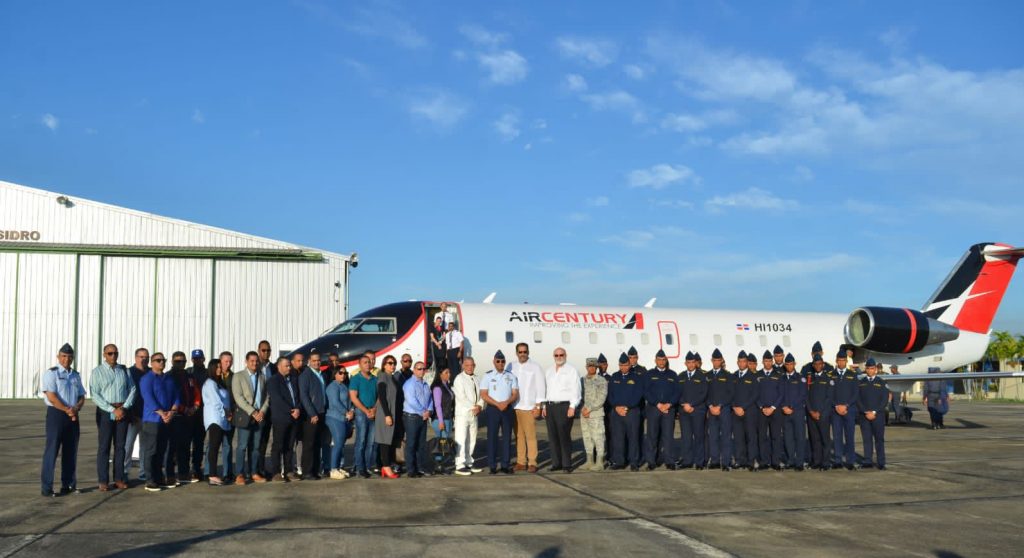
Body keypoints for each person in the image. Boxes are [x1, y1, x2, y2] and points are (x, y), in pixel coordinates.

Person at [40, 343, 86, 497]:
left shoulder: (75, 375)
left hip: (73, 415)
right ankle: (47, 488)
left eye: (70, 357)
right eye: (64, 356)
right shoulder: (51, 373)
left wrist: (76, 408)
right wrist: (67, 409)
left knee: (71, 451)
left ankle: (68, 485)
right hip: (57, 415)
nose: (67, 359)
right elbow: (51, 397)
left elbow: (81, 395)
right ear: (58, 357)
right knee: (52, 451)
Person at [90, 343, 137, 491]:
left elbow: (132, 389)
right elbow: (95, 394)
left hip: (122, 410)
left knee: (120, 446)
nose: (113, 356)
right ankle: (103, 480)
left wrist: (123, 408)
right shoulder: (97, 372)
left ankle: (119, 478)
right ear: (104, 355)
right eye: (110, 353)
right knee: (104, 446)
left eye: (115, 353)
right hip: (106, 411)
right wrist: (112, 410)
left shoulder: (124, 370)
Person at [139, 352, 180, 491]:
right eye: (158, 360)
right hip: (152, 420)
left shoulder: (169, 378)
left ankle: (159, 477)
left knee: (162, 450)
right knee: (151, 450)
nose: (161, 362)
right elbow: (148, 398)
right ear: (152, 363)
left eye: (163, 360)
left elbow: (176, 396)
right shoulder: (147, 379)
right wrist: (162, 413)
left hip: (167, 419)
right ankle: (149, 480)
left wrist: (172, 411)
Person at [232, 351, 269, 484]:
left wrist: (262, 411)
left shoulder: (262, 376)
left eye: (256, 361)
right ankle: (239, 474)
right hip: (246, 415)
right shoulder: (238, 376)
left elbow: (267, 396)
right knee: (242, 446)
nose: (254, 363)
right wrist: (253, 412)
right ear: (246, 362)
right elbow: (238, 397)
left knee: (256, 447)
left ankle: (253, 472)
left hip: (260, 415)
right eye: (252, 361)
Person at [480, 350, 519, 474]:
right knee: (492, 437)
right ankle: (492, 465)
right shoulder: (487, 376)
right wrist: (498, 404)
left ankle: (505, 465)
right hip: (493, 410)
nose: (500, 363)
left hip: (507, 409)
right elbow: (483, 394)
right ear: (494, 362)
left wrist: (506, 403)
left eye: (502, 361)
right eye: (498, 361)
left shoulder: (511, 376)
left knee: (507, 438)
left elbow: (515, 394)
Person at [544, 347, 581, 473]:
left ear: (566, 355)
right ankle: (556, 463)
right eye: (556, 355)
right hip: (550, 406)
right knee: (553, 436)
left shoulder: (571, 370)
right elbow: (546, 389)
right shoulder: (549, 371)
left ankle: (567, 464)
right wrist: (544, 406)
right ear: (553, 356)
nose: (559, 357)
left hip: (564, 406)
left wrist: (572, 406)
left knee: (564, 436)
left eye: (561, 355)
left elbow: (576, 390)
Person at [173, 349, 207, 484]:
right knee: (182, 445)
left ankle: (196, 469)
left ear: (203, 359)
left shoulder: (193, 375)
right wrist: (184, 409)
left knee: (198, 443)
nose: (181, 363)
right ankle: (182, 471)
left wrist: (196, 406)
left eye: (183, 361)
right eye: (178, 361)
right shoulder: (171, 376)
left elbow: (197, 392)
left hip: (198, 414)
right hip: (180, 415)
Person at [510, 342, 545, 473]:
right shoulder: (511, 366)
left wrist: (538, 406)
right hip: (515, 407)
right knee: (519, 436)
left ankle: (532, 462)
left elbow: (541, 387)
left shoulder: (535, 367)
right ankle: (521, 462)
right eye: (520, 352)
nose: (522, 354)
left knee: (530, 436)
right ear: (516, 353)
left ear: (528, 352)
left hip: (529, 407)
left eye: (525, 352)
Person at [643, 349, 678, 471]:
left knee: (668, 436)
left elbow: (677, 392)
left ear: (666, 361)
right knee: (652, 436)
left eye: (663, 360)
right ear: (655, 360)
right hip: (654, 409)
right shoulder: (649, 374)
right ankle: (651, 461)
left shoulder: (672, 375)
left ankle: (669, 461)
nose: (661, 362)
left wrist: (669, 404)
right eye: (659, 360)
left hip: (668, 410)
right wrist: (657, 404)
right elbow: (646, 391)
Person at [607, 353, 643, 471]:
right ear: (619, 365)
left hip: (631, 412)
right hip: (617, 412)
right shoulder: (614, 377)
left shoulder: (636, 377)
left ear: (629, 365)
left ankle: (634, 462)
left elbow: (638, 395)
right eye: (621, 365)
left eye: (626, 365)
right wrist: (616, 407)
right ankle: (619, 461)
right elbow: (610, 395)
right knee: (618, 438)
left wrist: (627, 407)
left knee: (633, 437)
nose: (623, 367)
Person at [267, 357, 300, 481]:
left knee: (290, 446)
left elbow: (298, 396)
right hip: (281, 417)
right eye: (286, 366)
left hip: (294, 417)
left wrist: (298, 408)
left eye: (289, 365)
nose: (289, 368)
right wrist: (291, 410)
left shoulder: (293, 379)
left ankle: (289, 471)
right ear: (279, 366)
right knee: (278, 445)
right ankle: (276, 472)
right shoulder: (273, 381)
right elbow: (277, 399)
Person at [202, 358, 233, 486]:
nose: (220, 369)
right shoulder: (210, 383)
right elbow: (216, 402)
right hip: (215, 419)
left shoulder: (218, 382)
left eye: (220, 367)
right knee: (214, 447)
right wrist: (227, 414)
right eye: (218, 367)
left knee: (217, 446)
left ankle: (213, 474)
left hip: (221, 419)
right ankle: (212, 475)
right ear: (212, 369)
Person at [297, 352, 327, 480]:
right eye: (314, 360)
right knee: (309, 444)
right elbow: (304, 396)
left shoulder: (321, 374)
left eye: (318, 360)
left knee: (317, 443)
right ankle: (307, 471)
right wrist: (312, 413)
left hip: (321, 412)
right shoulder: (305, 375)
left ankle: (314, 470)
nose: (317, 362)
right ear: (309, 361)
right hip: (311, 414)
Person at [452, 357, 484, 476]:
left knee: (471, 439)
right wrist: (474, 407)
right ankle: (460, 464)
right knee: (461, 439)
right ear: (463, 366)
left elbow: (481, 395)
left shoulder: (477, 378)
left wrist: (480, 406)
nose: (470, 367)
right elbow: (461, 397)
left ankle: (469, 462)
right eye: (467, 365)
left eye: (472, 365)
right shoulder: (459, 379)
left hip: (474, 414)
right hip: (463, 414)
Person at [402, 361, 434, 478]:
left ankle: (421, 468)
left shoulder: (425, 384)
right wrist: (423, 412)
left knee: (421, 444)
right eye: (419, 369)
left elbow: (430, 399)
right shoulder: (409, 384)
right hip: (412, 417)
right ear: (414, 370)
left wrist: (429, 410)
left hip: (423, 417)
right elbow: (411, 400)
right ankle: (411, 469)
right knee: (411, 444)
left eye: (423, 369)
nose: (422, 371)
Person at [705, 348, 735, 471]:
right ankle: (715, 461)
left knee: (726, 437)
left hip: (724, 410)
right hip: (712, 410)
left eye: (718, 360)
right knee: (713, 436)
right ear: (711, 360)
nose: (716, 362)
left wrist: (720, 405)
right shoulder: (707, 376)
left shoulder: (728, 375)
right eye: (714, 360)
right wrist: (710, 406)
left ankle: (726, 462)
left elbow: (731, 393)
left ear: (721, 361)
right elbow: (705, 393)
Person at [677, 351, 708, 469]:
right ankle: (687, 460)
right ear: (685, 363)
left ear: (695, 363)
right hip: (684, 411)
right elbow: (677, 393)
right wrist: (684, 404)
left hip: (697, 410)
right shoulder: (681, 376)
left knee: (699, 437)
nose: (690, 364)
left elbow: (703, 393)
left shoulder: (702, 376)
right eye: (688, 362)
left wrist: (692, 404)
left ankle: (699, 462)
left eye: (692, 362)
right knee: (686, 437)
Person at [348, 355, 378, 478]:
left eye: (369, 362)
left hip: (373, 412)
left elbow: (379, 397)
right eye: (365, 362)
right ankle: (360, 467)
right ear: (359, 364)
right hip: (361, 412)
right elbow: (353, 397)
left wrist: (374, 409)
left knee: (371, 442)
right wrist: (366, 411)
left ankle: (367, 466)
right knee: (361, 441)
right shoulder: (355, 379)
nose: (368, 364)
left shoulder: (375, 379)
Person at [858, 358, 890, 470]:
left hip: (878, 416)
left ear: (875, 369)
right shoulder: (861, 382)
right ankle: (867, 461)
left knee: (879, 440)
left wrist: (874, 412)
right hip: (864, 416)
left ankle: (881, 462)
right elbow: (858, 399)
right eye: (868, 368)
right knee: (867, 439)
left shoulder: (881, 382)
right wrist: (865, 411)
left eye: (872, 368)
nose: (870, 370)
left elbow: (884, 400)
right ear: (866, 369)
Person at [375, 355, 403, 479]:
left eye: (394, 363)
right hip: (386, 413)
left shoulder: (393, 378)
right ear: (384, 365)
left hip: (393, 413)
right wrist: (387, 414)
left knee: (389, 441)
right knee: (385, 441)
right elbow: (381, 397)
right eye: (390, 363)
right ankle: (386, 467)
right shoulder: (382, 376)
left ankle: (387, 466)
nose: (393, 365)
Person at [831, 350, 860, 470]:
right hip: (835, 411)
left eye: (843, 360)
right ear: (836, 361)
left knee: (849, 437)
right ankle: (838, 460)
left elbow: (855, 393)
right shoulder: (831, 375)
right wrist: (836, 406)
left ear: (846, 361)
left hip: (849, 411)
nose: (841, 362)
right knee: (837, 437)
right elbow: (829, 393)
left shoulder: (852, 375)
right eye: (839, 360)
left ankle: (850, 461)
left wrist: (846, 405)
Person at [124, 348, 149, 482]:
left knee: (145, 446)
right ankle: (124, 472)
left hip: (147, 416)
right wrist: (129, 413)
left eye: (146, 357)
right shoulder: (129, 372)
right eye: (141, 357)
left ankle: (143, 472)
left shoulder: (151, 372)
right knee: (128, 446)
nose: (144, 359)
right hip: (132, 416)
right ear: (135, 358)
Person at [756, 350, 784, 470]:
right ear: (762, 362)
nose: (767, 363)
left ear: (772, 362)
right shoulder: (757, 375)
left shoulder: (778, 375)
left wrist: (772, 407)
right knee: (762, 437)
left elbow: (781, 394)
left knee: (775, 437)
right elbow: (755, 394)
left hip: (775, 411)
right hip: (761, 411)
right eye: (765, 361)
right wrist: (762, 407)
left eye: (769, 361)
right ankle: (763, 461)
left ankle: (775, 462)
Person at [731, 351, 759, 471]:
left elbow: (755, 395)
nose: (741, 363)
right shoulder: (733, 376)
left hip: (749, 411)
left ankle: (751, 460)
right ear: (737, 362)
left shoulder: (753, 377)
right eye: (740, 361)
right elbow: (729, 393)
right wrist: (734, 407)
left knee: (750, 437)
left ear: (747, 362)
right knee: (738, 437)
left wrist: (743, 407)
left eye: (744, 361)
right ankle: (739, 460)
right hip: (736, 412)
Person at [325, 367, 354, 479]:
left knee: (341, 444)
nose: (343, 375)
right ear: (335, 374)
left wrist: (351, 411)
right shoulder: (332, 386)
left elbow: (349, 401)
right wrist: (346, 412)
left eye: (345, 373)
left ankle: (337, 467)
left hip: (344, 418)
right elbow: (335, 402)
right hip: (334, 417)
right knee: (338, 443)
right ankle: (333, 469)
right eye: (340, 373)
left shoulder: (344, 386)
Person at [806, 355, 834, 470]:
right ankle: (816, 461)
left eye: (820, 364)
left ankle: (825, 462)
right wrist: (811, 411)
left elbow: (829, 398)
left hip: (823, 415)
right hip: (811, 414)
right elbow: (806, 396)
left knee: (824, 439)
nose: (818, 366)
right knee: (814, 439)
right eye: (816, 364)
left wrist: (819, 412)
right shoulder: (810, 379)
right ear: (813, 365)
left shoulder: (828, 379)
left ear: (823, 364)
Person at [580, 358, 608, 471]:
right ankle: (589, 461)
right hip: (584, 413)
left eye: (593, 366)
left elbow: (601, 398)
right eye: (589, 366)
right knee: (587, 437)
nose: (591, 368)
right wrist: (582, 409)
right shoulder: (581, 380)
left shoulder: (601, 380)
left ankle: (599, 462)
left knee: (598, 437)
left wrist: (589, 409)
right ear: (586, 367)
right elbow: (578, 395)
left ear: (596, 368)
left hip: (596, 413)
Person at [780, 354, 807, 471]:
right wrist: (783, 406)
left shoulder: (800, 378)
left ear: (794, 364)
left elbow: (803, 395)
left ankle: (799, 462)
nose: (789, 366)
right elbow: (779, 394)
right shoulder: (782, 379)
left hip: (797, 412)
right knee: (788, 438)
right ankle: (790, 460)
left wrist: (791, 406)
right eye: (787, 364)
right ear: (785, 365)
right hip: (785, 412)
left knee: (800, 437)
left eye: (791, 364)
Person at [430, 368, 456, 473]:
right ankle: (438, 465)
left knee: (443, 443)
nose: (449, 374)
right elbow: (437, 405)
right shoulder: (437, 388)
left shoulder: (447, 386)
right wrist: (441, 421)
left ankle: (440, 465)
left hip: (447, 418)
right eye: (446, 373)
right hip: (440, 419)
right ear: (440, 374)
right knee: (441, 443)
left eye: (449, 372)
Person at [256, 340, 275, 475]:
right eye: (263, 350)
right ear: (259, 351)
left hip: (271, 408)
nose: (266, 353)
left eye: (268, 350)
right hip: (258, 409)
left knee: (265, 440)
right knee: (256, 440)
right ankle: (254, 468)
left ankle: (262, 468)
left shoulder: (273, 368)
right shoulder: (254, 366)